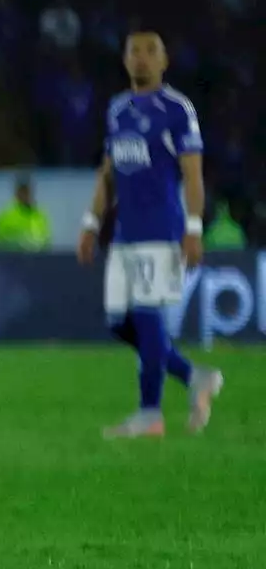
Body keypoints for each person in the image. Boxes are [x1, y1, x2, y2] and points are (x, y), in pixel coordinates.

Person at [76, 30, 223, 438]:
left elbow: (193, 174)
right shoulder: (118, 109)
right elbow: (108, 171)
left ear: (164, 61)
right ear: (124, 60)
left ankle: (150, 413)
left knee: (146, 314)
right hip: (124, 233)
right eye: (134, 52)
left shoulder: (177, 109)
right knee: (118, 323)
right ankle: (194, 375)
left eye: (150, 52)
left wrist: (193, 228)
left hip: (162, 231)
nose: (141, 58)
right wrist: (91, 223)